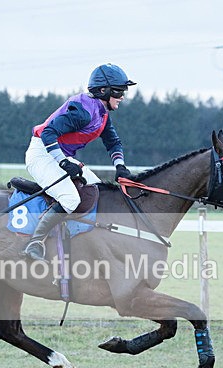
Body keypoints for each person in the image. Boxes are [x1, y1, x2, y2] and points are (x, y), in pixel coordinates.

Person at [22, 63, 137, 262]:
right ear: (103, 91)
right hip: (41, 154)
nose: (122, 96)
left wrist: (120, 166)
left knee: (98, 189)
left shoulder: (102, 114)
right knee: (71, 199)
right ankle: (35, 242)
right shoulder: (82, 111)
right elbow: (48, 132)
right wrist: (64, 163)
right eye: (119, 91)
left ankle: (81, 238)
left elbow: (113, 142)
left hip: (59, 154)